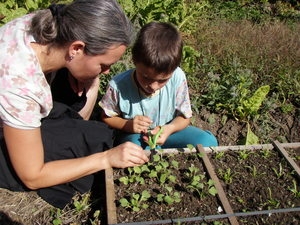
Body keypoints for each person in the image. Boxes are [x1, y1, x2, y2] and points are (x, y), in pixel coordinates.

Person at [0, 0, 149, 209]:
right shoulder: (20, 87)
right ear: (77, 48)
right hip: (6, 128)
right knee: (89, 146)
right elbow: (32, 176)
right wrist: (105, 159)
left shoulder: (50, 23)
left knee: (86, 130)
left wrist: (90, 77)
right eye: (103, 65)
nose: (106, 72)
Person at [99, 22, 218, 150]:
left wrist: (169, 129)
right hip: (137, 137)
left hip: (169, 132)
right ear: (134, 60)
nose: (153, 86)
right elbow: (106, 116)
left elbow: (184, 117)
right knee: (138, 150)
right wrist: (128, 125)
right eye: (146, 77)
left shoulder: (177, 77)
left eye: (162, 80)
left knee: (207, 141)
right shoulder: (118, 86)